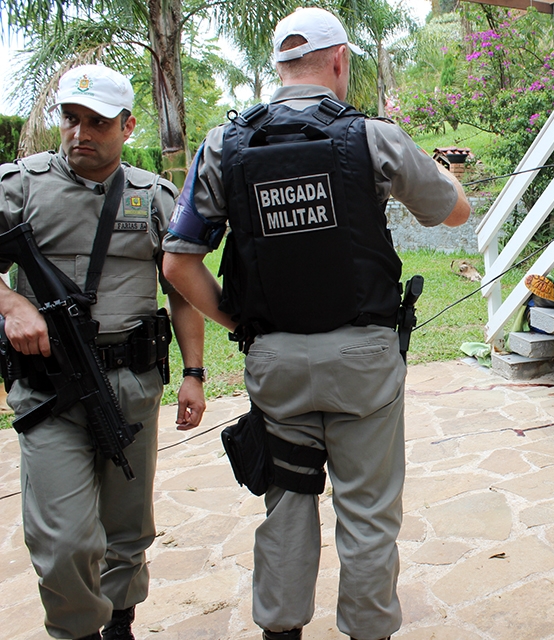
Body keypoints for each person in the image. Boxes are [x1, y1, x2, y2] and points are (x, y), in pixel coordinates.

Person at [161, 7, 470, 640]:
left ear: (279, 68)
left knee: (288, 504)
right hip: (363, 364)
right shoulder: (372, 136)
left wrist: (240, 321)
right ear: (339, 62)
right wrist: (445, 176)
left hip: (275, 364)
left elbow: (177, 263)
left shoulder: (224, 145)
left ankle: (280, 632)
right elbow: (454, 213)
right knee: (367, 512)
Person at [0, 64, 207, 640]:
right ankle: (77, 630)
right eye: (70, 119)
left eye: (97, 122)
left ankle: (120, 620)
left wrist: (194, 373)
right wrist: (11, 305)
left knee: (127, 528)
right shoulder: (20, 187)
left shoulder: (154, 198)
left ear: (128, 125)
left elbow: (184, 292)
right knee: (65, 539)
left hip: (132, 385)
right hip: (48, 391)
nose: (80, 133)